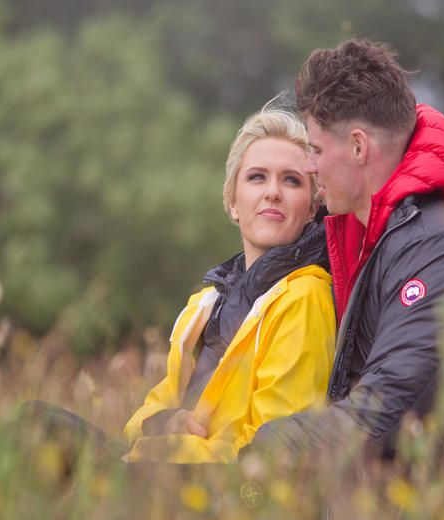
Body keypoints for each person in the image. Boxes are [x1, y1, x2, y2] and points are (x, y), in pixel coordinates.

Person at [247, 39, 444, 461]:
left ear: (358, 147)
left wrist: (259, 449)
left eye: (316, 150)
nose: (309, 166)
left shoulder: (433, 250)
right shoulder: (368, 237)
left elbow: (386, 411)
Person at [29, 107, 336, 465]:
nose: (272, 192)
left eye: (291, 180)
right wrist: (164, 422)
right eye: (256, 177)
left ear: (313, 208)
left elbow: (275, 447)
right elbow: (147, 413)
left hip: (227, 488)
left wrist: (151, 454)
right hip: (161, 468)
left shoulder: (306, 297)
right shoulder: (207, 303)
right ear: (233, 202)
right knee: (34, 422)